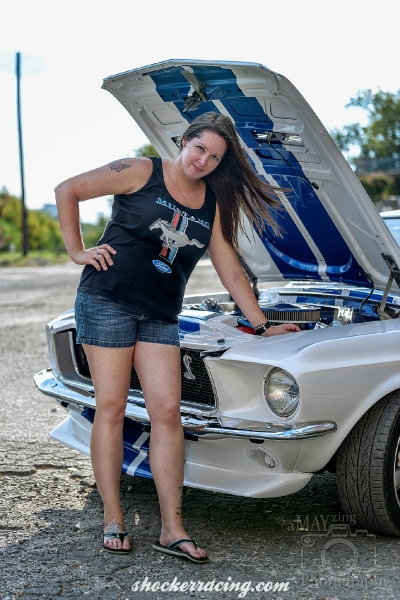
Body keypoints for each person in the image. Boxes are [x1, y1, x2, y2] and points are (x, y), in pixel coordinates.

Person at [55, 111, 300, 563]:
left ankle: (172, 528)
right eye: (199, 148)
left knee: (168, 413)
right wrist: (77, 251)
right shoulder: (140, 171)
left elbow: (228, 266)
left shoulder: (212, 204)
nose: (203, 160)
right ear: (184, 141)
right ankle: (114, 518)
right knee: (110, 408)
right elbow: (67, 190)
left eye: (214, 156)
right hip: (107, 299)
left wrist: (262, 323)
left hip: (160, 315)